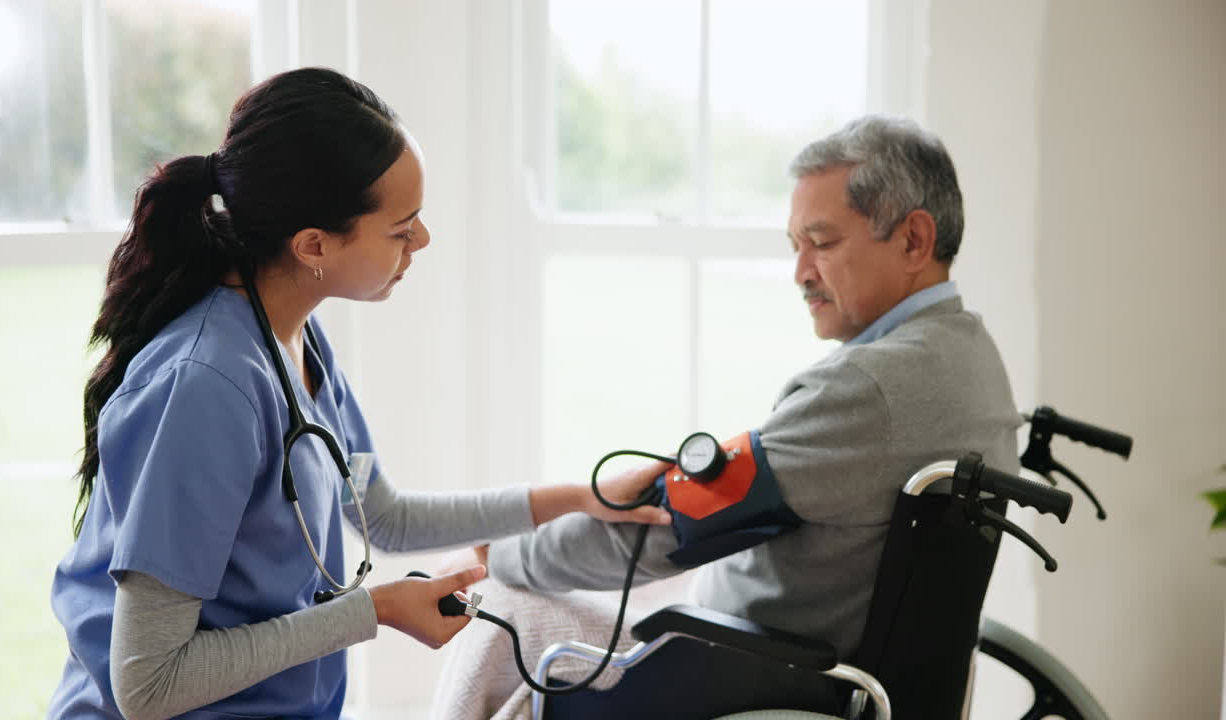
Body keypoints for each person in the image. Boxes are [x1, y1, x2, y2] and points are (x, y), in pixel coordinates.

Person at [47, 67, 669, 720]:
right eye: (402, 229)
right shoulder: (206, 389)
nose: (422, 241)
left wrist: (579, 499)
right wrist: (372, 611)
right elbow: (147, 685)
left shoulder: (291, 334)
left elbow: (381, 512)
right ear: (313, 244)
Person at [431, 115, 1024, 718]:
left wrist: (495, 554)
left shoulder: (870, 387)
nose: (800, 273)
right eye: (796, 246)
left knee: (506, 601)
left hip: (750, 673)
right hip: (806, 647)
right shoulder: (972, 359)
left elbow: (666, 527)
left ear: (913, 241)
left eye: (822, 243)